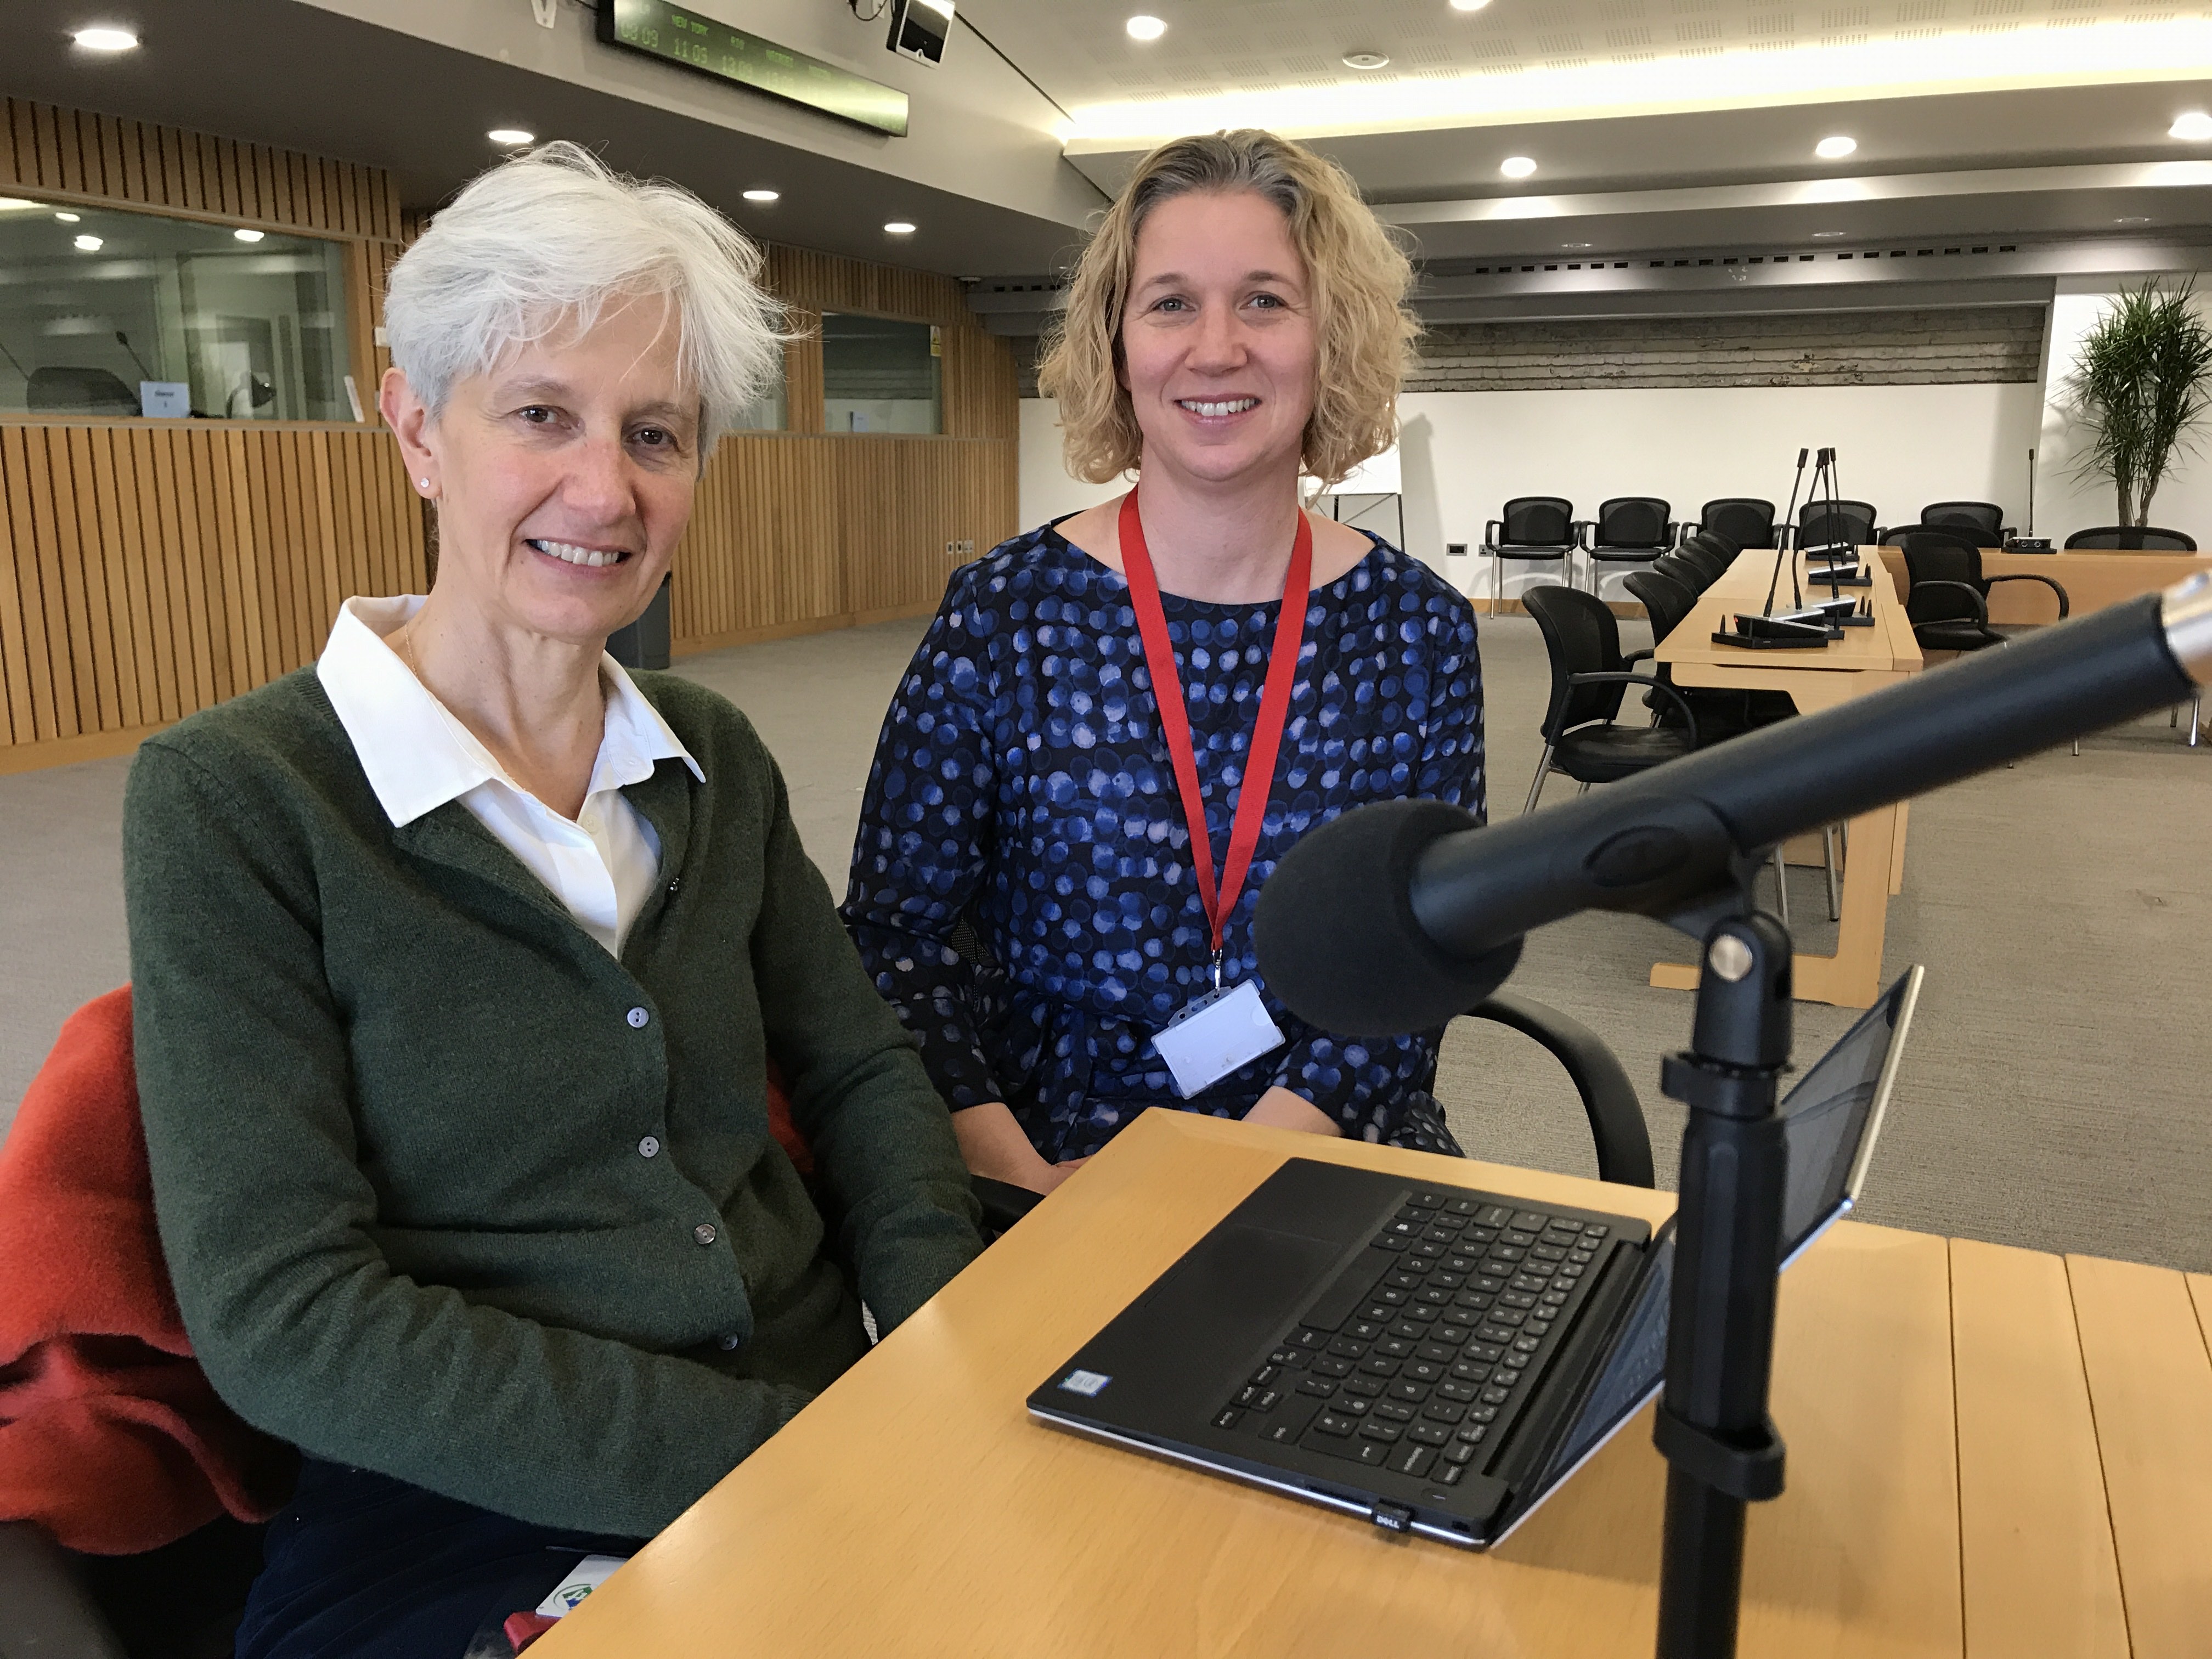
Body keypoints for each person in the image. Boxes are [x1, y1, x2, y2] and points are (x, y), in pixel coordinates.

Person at [122, 144, 982, 1658]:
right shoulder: (237, 800)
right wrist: (768, 1464)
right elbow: (288, 1318)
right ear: (415, 429)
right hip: (453, 1514)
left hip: (828, 1423)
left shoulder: (709, 754)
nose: (607, 489)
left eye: (657, 433)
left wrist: (941, 1353)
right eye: (541, 416)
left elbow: (858, 1071)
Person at [842, 130, 1486, 1197]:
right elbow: (894, 941)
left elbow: (1412, 962)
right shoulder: (1004, 614)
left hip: (1322, 1135)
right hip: (1053, 1147)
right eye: (1172, 302)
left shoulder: (1418, 631)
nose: (1217, 347)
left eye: (1267, 300)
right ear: (1117, 341)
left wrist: (1246, 1166)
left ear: (1334, 336)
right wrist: (1008, 1169)